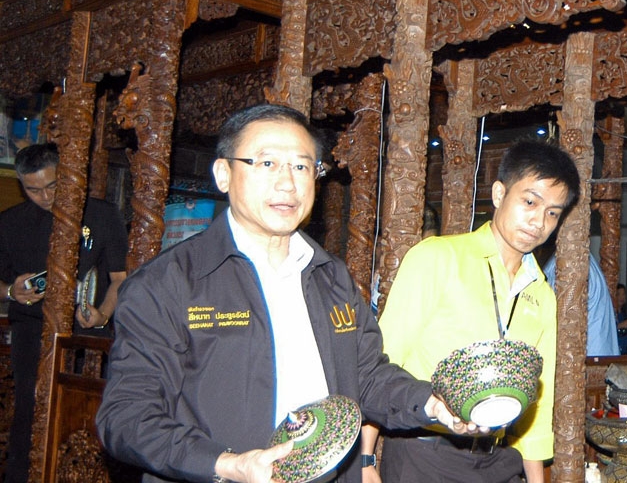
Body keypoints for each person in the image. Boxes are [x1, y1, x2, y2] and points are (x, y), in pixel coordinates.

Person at [96, 104, 463, 483]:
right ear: (223, 174)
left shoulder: (331, 276)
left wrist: (432, 403)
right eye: (267, 163)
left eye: (302, 166)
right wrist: (227, 464)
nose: (288, 183)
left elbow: (366, 377)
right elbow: (126, 417)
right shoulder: (167, 283)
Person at [370, 139, 580, 483]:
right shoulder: (437, 257)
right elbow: (382, 363)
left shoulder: (542, 293)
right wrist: (366, 460)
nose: (539, 221)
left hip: (499, 458)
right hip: (425, 455)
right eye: (530, 202)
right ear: (499, 194)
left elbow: (538, 404)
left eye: (553, 213)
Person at [1, 143, 127, 483]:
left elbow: (120, 278)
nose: (45, 196)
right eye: (33, 190)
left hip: (89, 331)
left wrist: (103, 314)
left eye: (52, 185)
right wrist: (12, 291)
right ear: (22, 185)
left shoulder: (102, 215)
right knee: (30, 410)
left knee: (89, 412)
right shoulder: (10, 223)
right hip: (32, 330)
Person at [543, 251, 618, 356]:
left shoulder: (571, 262)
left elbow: (566, 321)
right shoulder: (584, 261)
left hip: (586, 356)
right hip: (598, 351)